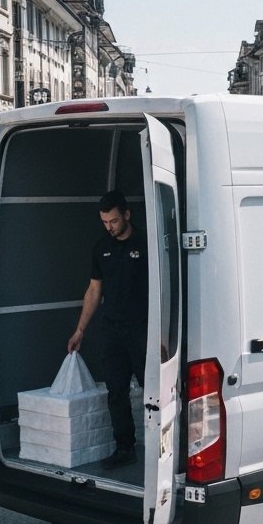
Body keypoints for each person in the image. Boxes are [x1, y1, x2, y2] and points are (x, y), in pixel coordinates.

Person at [68, 190, 147, 468]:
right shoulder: (101, 247)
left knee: (154, 392)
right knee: (116, 391)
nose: (109, 227)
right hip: (112, 330)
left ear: (126, 215)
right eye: (105, 222)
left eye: (113, 221)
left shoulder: (147, 244)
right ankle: (124, 448)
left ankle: (165, 450)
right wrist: (80, 331)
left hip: (143, 330)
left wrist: (165, 335)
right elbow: (94, 290)